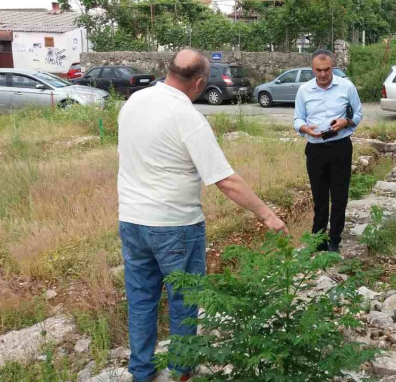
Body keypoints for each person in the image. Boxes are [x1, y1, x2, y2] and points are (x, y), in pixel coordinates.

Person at [117, 49, 287, 382]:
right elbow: (226, 180)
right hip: (175, 226)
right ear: (198, 82)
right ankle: (181, 372)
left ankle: (141, 371)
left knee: (140, 299)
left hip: (131, 220)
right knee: (184, 301)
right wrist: (268, 215)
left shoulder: (135, 101)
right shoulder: (188, 117)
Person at [293, 49, 363, 253]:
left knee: (339, 197)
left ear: (333, 67)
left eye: (327, 70)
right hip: (315, 149)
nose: (323, 75)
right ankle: (318, 241)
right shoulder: (304, 90)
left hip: (340, 147)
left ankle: (334, 241)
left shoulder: (346, 87)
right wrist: (305, 129)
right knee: (320, 198)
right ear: (312, 69)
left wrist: (346, 122)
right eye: (318, 70)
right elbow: (297, 119)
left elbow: (358, 114)